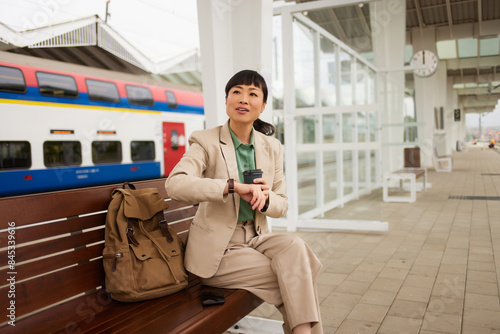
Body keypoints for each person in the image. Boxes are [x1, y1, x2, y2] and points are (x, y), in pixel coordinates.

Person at [165, 70, 323, 334]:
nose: (243, 99)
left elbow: (282, 205)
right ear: (227, 99)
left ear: (262, 106)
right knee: (298, 274)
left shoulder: (272, 147)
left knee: (296, 249)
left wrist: (266, 197)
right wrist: (231, 186)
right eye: (237, 92)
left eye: (253, 94)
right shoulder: (205, 141)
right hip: (218, 251)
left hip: (256, 238)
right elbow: (175, 184)